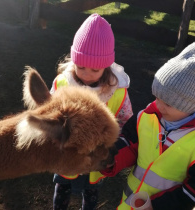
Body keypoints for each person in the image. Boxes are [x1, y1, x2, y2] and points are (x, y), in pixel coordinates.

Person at [101, 39, 195, 210]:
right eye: (157, 97)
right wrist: (110, 159)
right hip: (128, 204)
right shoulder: (145, 117)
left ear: (189, 105)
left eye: (168, 103)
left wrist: (158, 206)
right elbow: (129, 143)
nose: (158, 105)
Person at [50, 13, 133, 210]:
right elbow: (49, 110)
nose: (87, 74)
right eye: (81, 67)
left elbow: (125, 119)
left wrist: (110, 138)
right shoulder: (62, 82)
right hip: (67, 153)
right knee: (62, 187)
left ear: (106, 66)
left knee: (91, 191)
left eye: (95, 70)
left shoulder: (117, 91)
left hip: (96, 157)